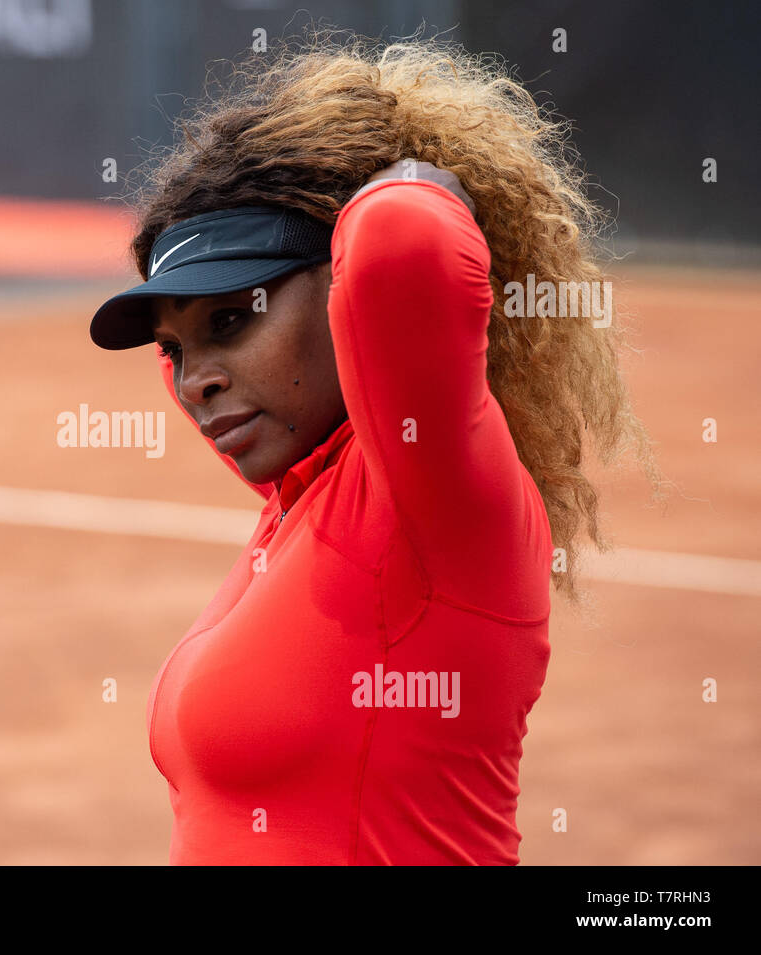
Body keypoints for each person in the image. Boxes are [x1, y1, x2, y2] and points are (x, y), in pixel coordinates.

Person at [88, 32, 666, 865]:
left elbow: (404, 238)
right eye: (175, 350)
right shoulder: (303, 507)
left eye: (232, 319)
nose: (192, 381)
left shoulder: (430, 493)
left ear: (346, 290)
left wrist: (394, 161)